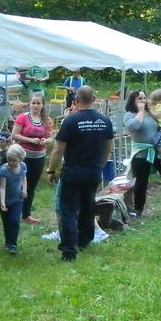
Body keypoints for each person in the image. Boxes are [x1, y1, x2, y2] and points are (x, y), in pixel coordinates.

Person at [46, 85, 113, 262]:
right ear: (94, 99)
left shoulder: (70, 121)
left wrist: (51, 170)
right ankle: (84, 241)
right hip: (93, 172)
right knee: (87, 207)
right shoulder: (105, 121)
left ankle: (69, 250)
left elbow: (58, 150)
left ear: (76, 100)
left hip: (72, 172)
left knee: (68, 211)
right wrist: (99, 166)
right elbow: (108, 149)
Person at [123, 89, 161, 217]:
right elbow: (134, 127)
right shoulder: (129, 115)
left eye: (144, 98)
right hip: (142, 153)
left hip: (159, 151)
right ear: (133, 101)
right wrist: (141, 111)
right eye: (139, 98)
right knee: (141, 181)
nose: (143, 100)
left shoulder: (151, 112)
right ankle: (138, 209)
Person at [11, 92, 52, 224]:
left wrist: (45, 141)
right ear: (29, 104)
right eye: (33, 103)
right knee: (18, 184)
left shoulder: (46, 120)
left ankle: (26, 214)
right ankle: (13, 211)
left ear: (43, 105)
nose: (35, 105)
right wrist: (30, 140)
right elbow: (14, 135)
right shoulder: (23, 117)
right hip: (23, 157)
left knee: (31, 186)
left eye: (38, 103)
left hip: (39, 157)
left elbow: (51, 138)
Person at [0, 144, 28, 254]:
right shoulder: (4, 170)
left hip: (17, 200)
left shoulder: (23, 166)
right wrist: (2, 202)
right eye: (9, 160)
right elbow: (2, 188)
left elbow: (24, 178)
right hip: (5, 201)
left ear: (20, 159)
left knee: (14, 221)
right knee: (6, 223)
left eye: (14, 160)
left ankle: (13, 245)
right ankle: (8, 242)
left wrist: (24, 190)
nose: (11, 162)